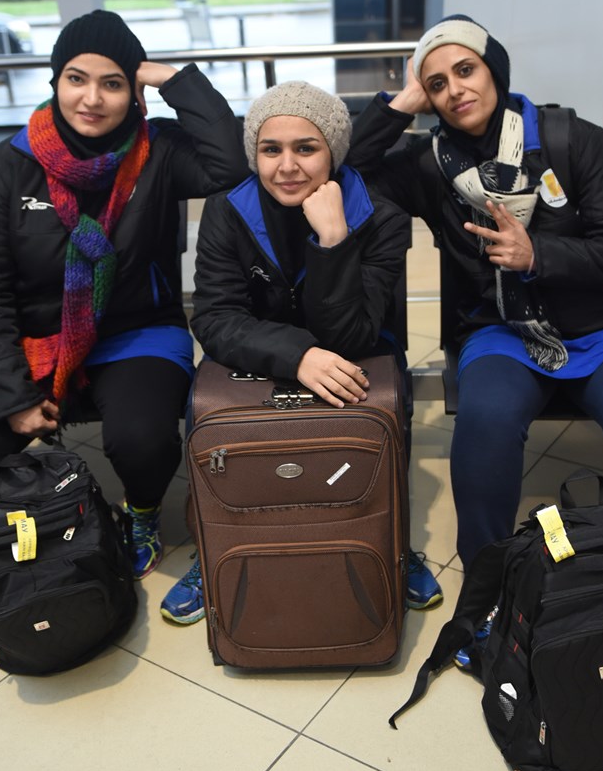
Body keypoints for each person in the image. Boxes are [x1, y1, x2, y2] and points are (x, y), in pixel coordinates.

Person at [348, 13, 603, 572]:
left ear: (494, 72)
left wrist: (538, 256)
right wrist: (402, 103)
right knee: (487, 421)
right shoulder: (428, 164)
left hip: (602, 326)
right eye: (437, 83)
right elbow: (347, 173)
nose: (455, 90)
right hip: (499, 329)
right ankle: (489, 580)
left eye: (466, 70)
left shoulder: (569, 139)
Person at [0, 9, 248, 581]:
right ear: (55, 80)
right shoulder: (9, 164)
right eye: (77, 78)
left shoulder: (158, 151)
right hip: (38, 337)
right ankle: (35, 515)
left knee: (144, 441)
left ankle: (142, 514)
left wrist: (174, 80)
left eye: (113, 83)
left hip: (137, 330)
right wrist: (12, 396)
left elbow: (229, 163)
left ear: (134, 91)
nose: (92, 99)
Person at [160, 80, 444, 623]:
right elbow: (216, 318)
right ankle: (215, 545)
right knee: (213, 417)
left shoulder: (380, 217)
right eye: (271, 149)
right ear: (255, 155)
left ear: (332, 152)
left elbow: (355, 333)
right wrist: (297, 355)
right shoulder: (228, 210)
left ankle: (389, 539)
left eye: (306, 148)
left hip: (354, 347)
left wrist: (334, 241)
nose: (287, 166)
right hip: (258, 355)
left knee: (384, 417)